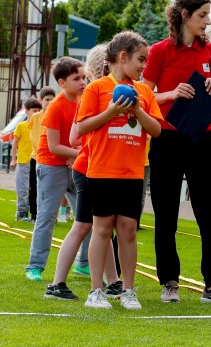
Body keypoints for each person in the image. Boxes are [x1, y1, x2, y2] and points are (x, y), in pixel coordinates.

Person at [141, 0, 211, 304]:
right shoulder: (159, 51)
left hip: (202, 136)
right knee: (166, 212)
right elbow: (143, 97)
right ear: (185, 15)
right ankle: (169, 282)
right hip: (167, 138)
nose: (207, 22)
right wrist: (170, 94)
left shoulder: (209, 50)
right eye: (202, 15)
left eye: (209, 15)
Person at [76, 31, 163, 310]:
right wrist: (112, 112)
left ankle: (127, 291)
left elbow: (157, 130)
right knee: (101, 229)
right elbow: (82, 129)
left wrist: (137, 110)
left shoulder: (145, 92)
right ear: (122, 57)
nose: (143, 66)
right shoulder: (96, 89)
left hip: (132, 173)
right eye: (140, 60)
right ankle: (95, 292)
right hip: (101, 171)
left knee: (128, 231)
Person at [44, 44, 121, 302]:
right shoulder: (94, 94)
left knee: (103, 226)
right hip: (89, 168)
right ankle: (56, 284)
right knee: (83, 226)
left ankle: (114, 282)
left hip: (101, 168)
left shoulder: (107, 92)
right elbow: (73, 136)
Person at [24, 57, 86, 283]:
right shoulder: (55, 107)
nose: (82, 82)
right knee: (47, 216)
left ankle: (84, 263)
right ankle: (35, 266)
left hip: (75, 164)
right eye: (76, 78)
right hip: (51, 165)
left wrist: (76, 156)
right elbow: (53, 146)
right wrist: (77, 154)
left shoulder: (85, 101)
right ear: (62, 82)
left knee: (87, 217)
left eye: (84, 77)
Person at [27, 86, 57, 222]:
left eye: (52, 99)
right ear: (41, 100)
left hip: (52, 158)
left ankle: (51, 216)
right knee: (34, 187)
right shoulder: (35, 117)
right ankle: (34, 214)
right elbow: (33, 135)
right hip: (36, 157)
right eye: (47, 100)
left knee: (51, 190)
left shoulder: (56, 114)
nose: (50, 102)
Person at [11, 98, 41, 221]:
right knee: (22, 189)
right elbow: (14, 143)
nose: (37, 112)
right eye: (34, 110)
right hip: (23, 162)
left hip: (36, 162)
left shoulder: (40, 126)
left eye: (39, 110)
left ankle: (33, 212)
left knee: (33, 189)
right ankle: (22, 212)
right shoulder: (21, 126)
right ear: (27, 111)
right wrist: (13, 159)